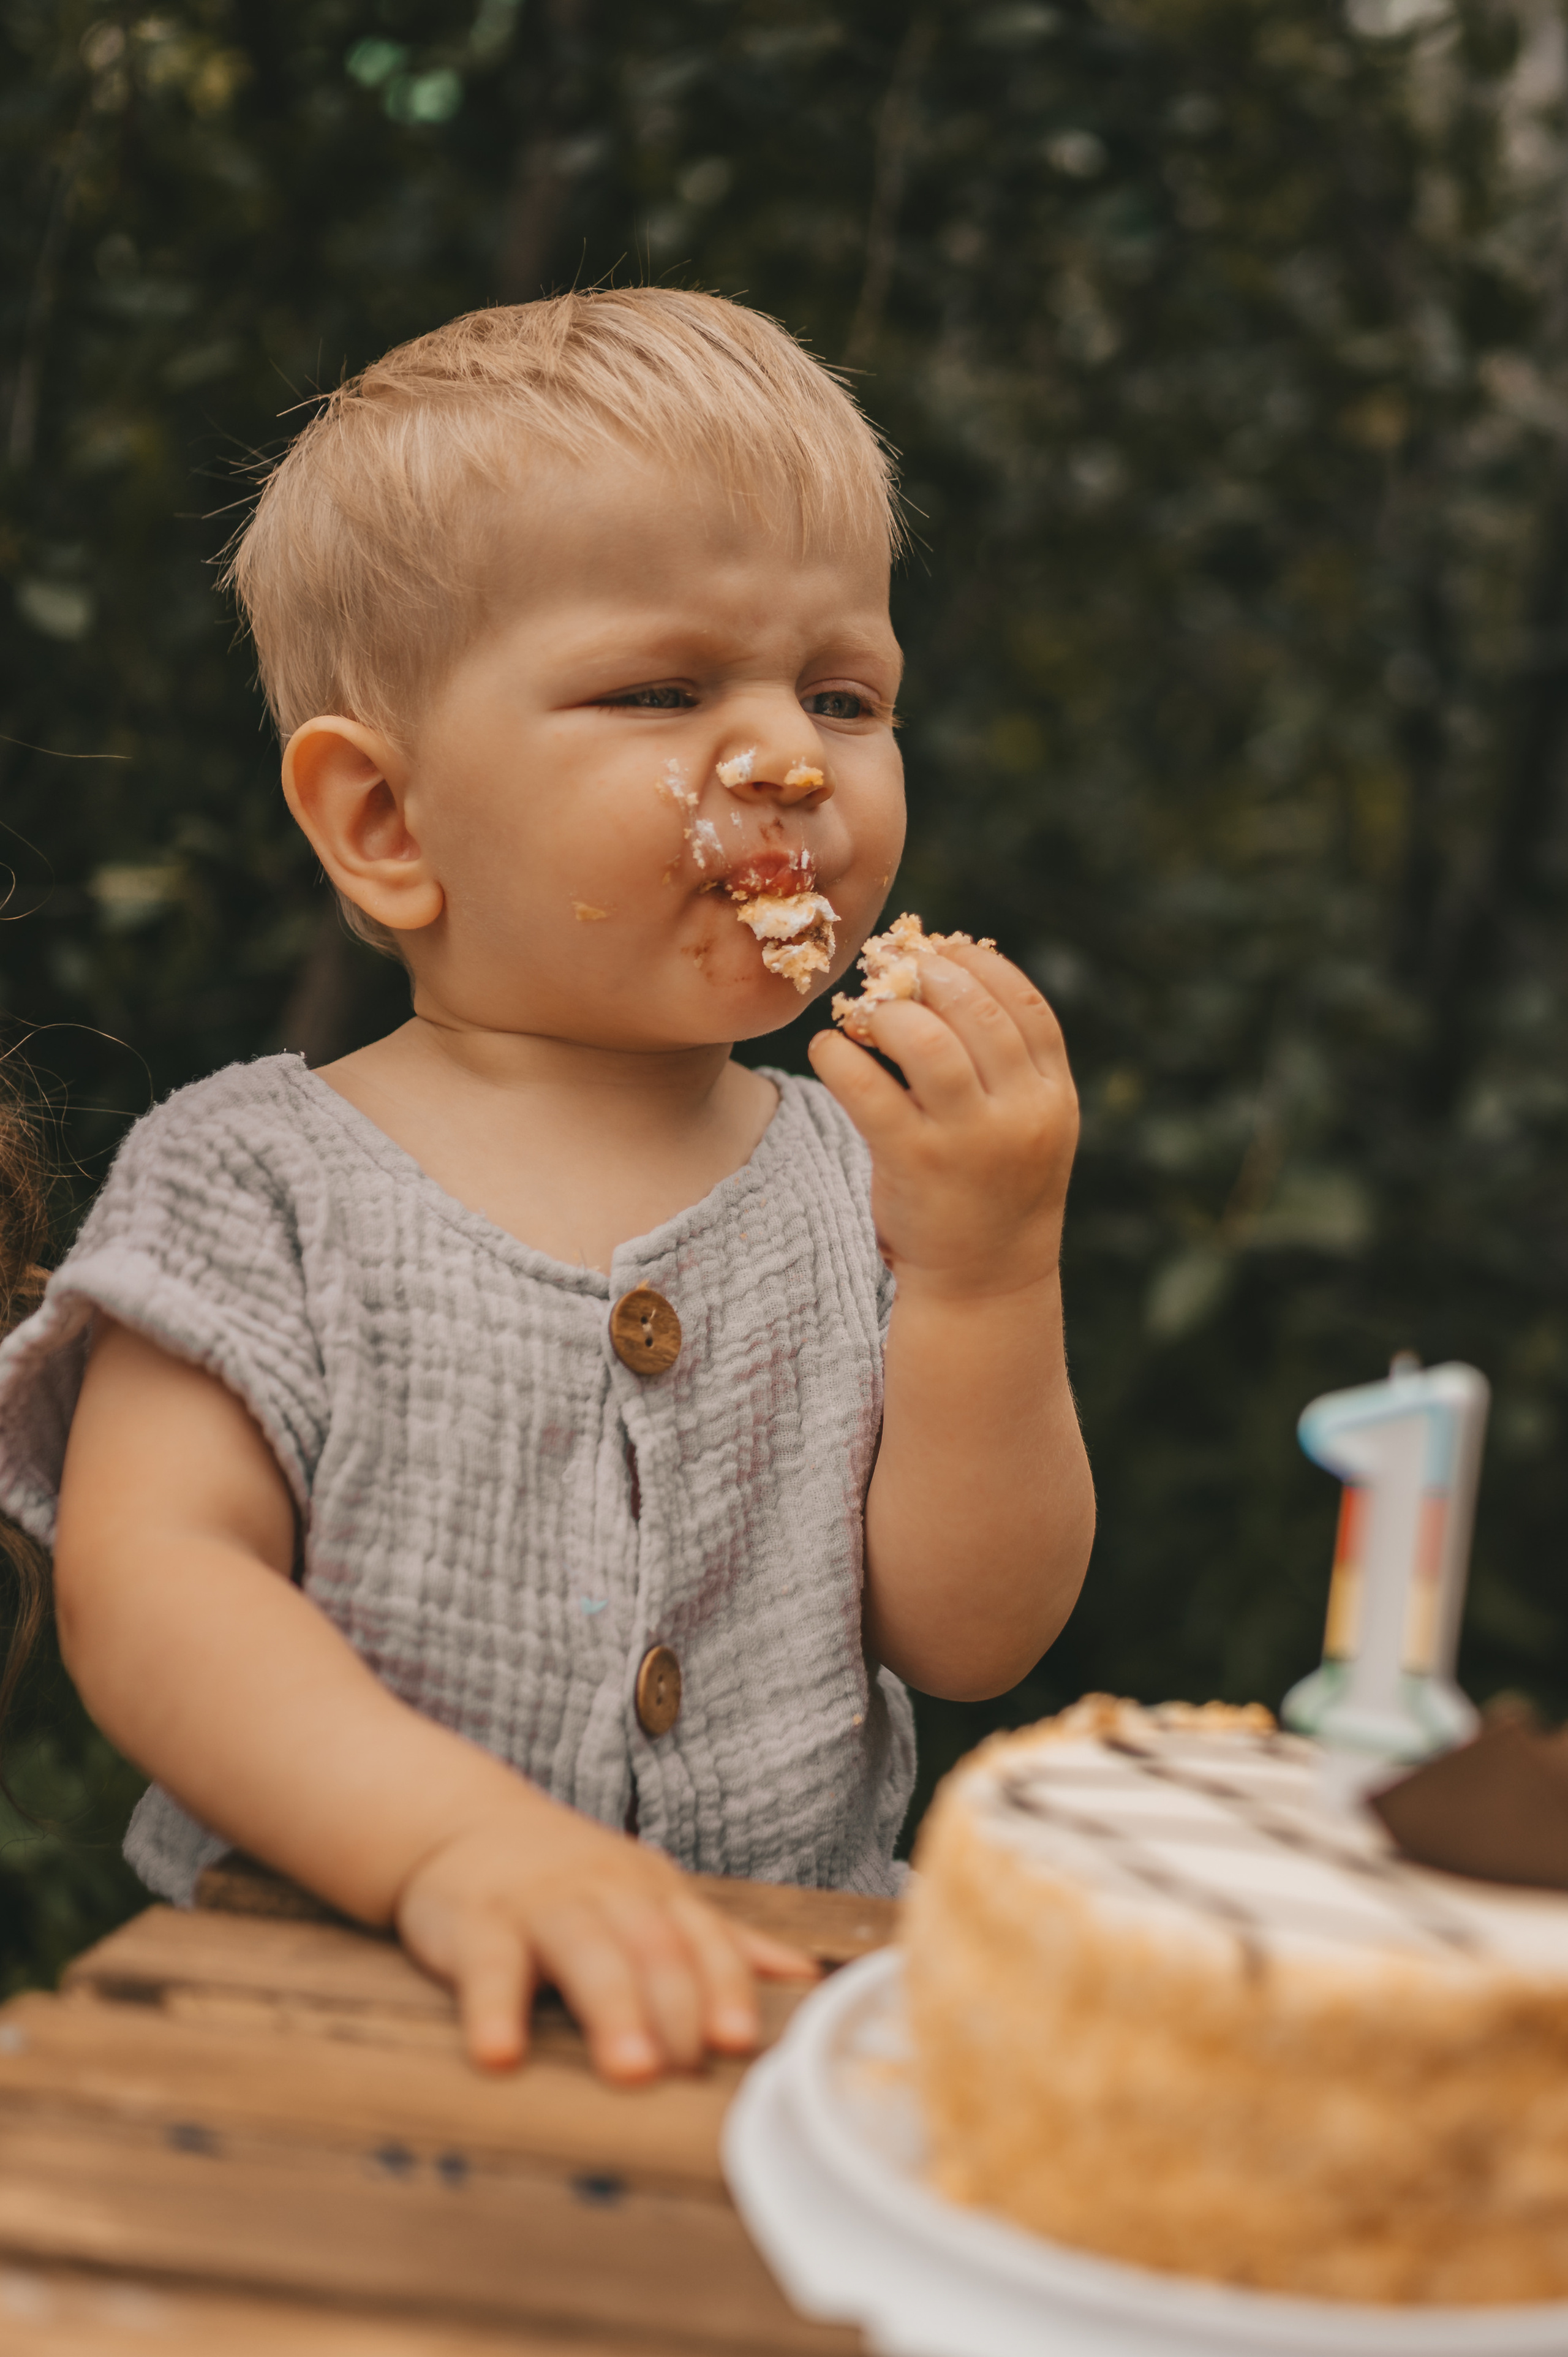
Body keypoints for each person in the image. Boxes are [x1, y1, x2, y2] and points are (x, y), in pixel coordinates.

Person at [0, 290, 1094, 2082]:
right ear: (389, 824)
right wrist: (452, 1847)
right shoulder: (253, 1179)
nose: (790, 760)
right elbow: (152, 1582)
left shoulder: (856, 1177)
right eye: (663, 691)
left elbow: (973, 1637)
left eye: (845, 694)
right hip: (342, 2009)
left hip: (775, 2022)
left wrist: (989, 1271)